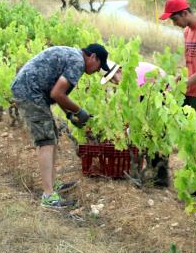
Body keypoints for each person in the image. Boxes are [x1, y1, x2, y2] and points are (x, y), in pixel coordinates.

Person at [11, 44, 113, 208]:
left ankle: (52, 184)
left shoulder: (73, 56)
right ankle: (48, 195)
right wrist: (80, 111)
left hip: (32, 90)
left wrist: (69, 114)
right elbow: (57, 93)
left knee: (52, 137)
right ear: (93, 57)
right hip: (29, 91)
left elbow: (58, 93)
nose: (96, 71)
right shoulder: (78, 62)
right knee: (46, 141)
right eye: (99, 66)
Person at [101, 62, 170, 187]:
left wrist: (131, 127)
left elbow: (137, 104)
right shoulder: (126, 78)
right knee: (148, 132)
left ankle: (161, 176)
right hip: (150, 92)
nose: (114, 82)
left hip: (161, 91)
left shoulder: (133, 75)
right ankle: (151, 169)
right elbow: (128, 105)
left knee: (158, 132)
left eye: (112, 78)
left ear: (119, 71)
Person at [160, 0, 196, 119]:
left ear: (185, 13)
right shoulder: (187, 31)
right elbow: (191, 63)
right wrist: (178, 79)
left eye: (175, 19)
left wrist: (183, 84)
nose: (174, 24)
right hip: (187, 91)